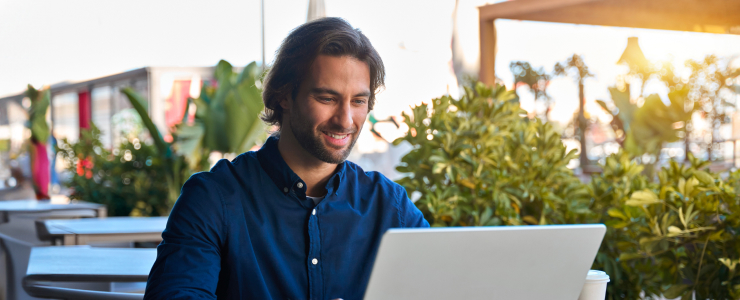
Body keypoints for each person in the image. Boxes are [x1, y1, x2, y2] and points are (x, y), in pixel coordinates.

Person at [144, 17, 429, 300]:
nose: (345, 120)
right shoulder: (213, 198)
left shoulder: (391, 207)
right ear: (284, 96)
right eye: (326, 98)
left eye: (358, 101)